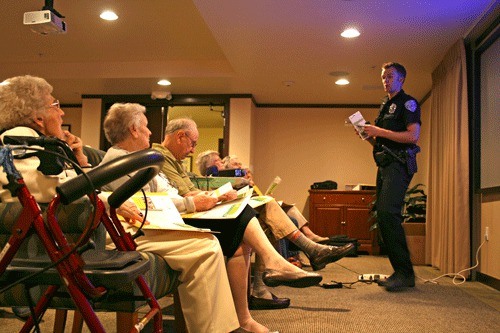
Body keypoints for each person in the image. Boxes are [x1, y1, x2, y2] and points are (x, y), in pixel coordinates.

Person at [0, 76, 241, 332]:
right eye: (55, 105)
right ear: (38, 118)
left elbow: (56, 184)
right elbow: (42, 189)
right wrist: (104, 199)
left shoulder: (37, 143)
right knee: (204, 246)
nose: (62, 112)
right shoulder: (18, 139)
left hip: (80, 231)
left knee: (203, 245)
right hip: (74, 239)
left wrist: (83, 169)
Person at [100, 103, 322, 333]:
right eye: (146, 127)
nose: (150, 132)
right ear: (134, 130)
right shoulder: (122, 162)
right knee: (225, 232)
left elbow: (166, 193)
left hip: (169, 216)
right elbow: (148, 203)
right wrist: (194, 202)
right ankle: (267, 279)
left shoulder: (138, 159)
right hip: (154, 224)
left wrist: (205, 197)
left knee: (241, 218)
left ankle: (242, 316)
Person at [153, 119, 354, 309]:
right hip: (185, 216)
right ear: (180, 136)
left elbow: (192, 190)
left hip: (196, 208)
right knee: (260, 211)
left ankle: (283, 269)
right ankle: (303, 254)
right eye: (193, 143)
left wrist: (218, 194)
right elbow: (188, 194)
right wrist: (218, 195)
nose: (193, 150)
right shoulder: (161, 158)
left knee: (267, 207)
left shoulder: (175, 161)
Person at [358, 62, 421, 292]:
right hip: (384, 164)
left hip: (399, 164)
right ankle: (401, 272)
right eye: (383, 77)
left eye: (390, 76)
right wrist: (368, 137)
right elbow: (382, 141)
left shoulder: (408, 103)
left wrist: (379, 131)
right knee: (383, 216)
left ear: (401, 79)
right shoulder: (385, 105)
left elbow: (413, 136)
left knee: (387, 213)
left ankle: (405, 274)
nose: (386, 80)